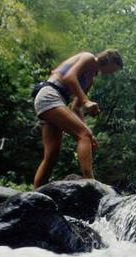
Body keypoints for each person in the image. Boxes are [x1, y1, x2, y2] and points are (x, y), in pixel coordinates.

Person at [33, 49, 123, 188]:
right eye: (114, 69)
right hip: (50, 94)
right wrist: (86, 102)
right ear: (110, 61)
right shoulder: (89, 58)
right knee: (84, 135)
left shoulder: (91, 78)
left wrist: (88, 132)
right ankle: (91, 183)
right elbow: (69, 77)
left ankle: (36, 195)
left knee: (51, 155)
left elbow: (76, 108)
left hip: (54, 99)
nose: (112, 73)